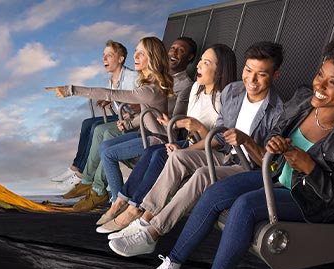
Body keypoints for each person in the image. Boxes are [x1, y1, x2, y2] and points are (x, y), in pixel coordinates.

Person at [128, 32, 334, 269]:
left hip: (307, 200)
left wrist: (310, 166)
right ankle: (172, 265)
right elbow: (275, 134)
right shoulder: (303, 98)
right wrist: (276, 143)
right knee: (214, 190)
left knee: (245, 205)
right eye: (320, 75)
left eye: (333, 83)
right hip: (273, 176)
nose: (320, 86)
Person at [108, 41, 285, 257]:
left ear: (275, 75)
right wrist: (188, 151)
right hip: (224, 155)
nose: (252, 80)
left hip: (245, 166)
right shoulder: (234, 91)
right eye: (248, 71)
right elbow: (218, 136)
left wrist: (246, 141)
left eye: (262, 74)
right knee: (178, 158)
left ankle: (152, 234)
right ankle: (144, 220)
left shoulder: (278, 111)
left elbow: (270, 164)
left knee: (201, 175)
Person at [96, 43, 236, 232]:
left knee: (159, 154)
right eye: (200, 61)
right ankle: (121, 201)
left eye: (205, 62)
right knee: (152, 152)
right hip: (191, 141)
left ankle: (135, 208)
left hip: (208, 150)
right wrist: (173, 123)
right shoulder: (197, 88)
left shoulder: (225, 99)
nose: (198, 66)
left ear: (220, 70)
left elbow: (220, 142)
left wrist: (195, 133)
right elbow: (188, 124)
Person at [63, 37, 197, 212]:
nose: (136, 56)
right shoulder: (151, 81)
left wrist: (72, 90)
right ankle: (93, 185)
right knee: (102, 142)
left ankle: (115, 200)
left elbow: (115, 95)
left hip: (160, 136)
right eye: (136, 51)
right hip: (145, 127)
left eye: (141, 53)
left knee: (108, 146)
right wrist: (129, 122)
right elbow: (148, 111)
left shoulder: (175, 85)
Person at [51, 40, 139, 192]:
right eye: (103, 55)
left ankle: (82, 176)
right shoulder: (112, 80)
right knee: (87, 123)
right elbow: (114, 96)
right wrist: (109, 101)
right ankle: (75, 167)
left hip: (132, 120)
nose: (104, 59)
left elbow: (139, 101)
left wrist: (127, 107)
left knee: (97, 128)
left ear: (121, 58)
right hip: (120, 116)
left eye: (109, 55)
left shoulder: (133, 77)